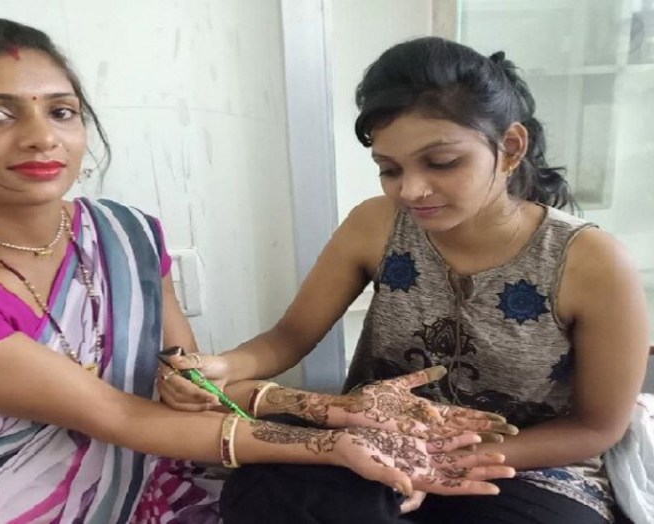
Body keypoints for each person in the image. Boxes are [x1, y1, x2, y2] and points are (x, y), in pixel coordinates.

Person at [0, 20, 515, 524]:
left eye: (60, 110)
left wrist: (332, 410)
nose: (41, 137)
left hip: (163, 476)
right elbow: (122, 416)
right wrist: (330, 443)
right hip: (9, 499)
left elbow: (186, 391)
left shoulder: (126, 233)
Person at [160, 37, 651, 524]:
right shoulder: (375, 224)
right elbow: (290, 336)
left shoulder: (591, 262)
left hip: (521, 465)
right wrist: (225, 366)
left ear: (510, 148)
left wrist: (440, 459)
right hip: (366, 444)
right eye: (389, 169)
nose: (412, 190)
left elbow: (595, 428)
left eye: (442, 163)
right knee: (262, 493)